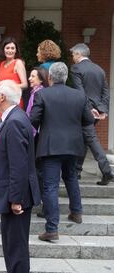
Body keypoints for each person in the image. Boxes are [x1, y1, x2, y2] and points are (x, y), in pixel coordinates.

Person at [30, 62, 95, 242]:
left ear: (50, 77)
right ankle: (76, 212)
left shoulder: (42, 94)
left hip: (51, 146)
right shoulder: (79, 95)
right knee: (71, 177)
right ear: (66, 77)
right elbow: (89, 120)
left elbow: (33, 120)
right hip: (74, 146)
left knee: (50, 186)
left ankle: (52, 228)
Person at [0, 80, 40, 273]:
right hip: (12, 195)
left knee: (16, 249)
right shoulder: (13, 118)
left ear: (2, 97)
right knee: (12, 247)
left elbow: (19, 164)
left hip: (16, 198)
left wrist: (16, 199)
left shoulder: (15, 121)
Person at [70, 43, 113, 185]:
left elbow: (79, 91)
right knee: (85, 139)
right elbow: (105, 92)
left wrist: (88, 109)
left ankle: (106, 171)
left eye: (73, 55)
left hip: (84, 110)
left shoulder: (76, 68)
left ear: (78, 54)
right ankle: (77, 171)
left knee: (91, 139)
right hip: (96, 112)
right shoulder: (99, 69)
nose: (72, 58)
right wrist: (102, 110)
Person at [26, 67, 48, 219]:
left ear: (41, 79)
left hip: (36, 136)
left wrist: (28, 135)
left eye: (33, 76)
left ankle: (41, 201)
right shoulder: (36, 92)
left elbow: (34, 118)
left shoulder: (38, 94)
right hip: (37, 135)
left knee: (39, 171)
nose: (29, 78)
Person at [0, 37, 28, 108]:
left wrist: (8, 87)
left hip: (14, 102)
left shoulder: (18, 63)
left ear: (16, 50)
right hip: (2, 102)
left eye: (12, 48)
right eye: (7, 48)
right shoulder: (2, 64)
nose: (10, 50)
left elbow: (25, 85)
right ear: (3, 49)